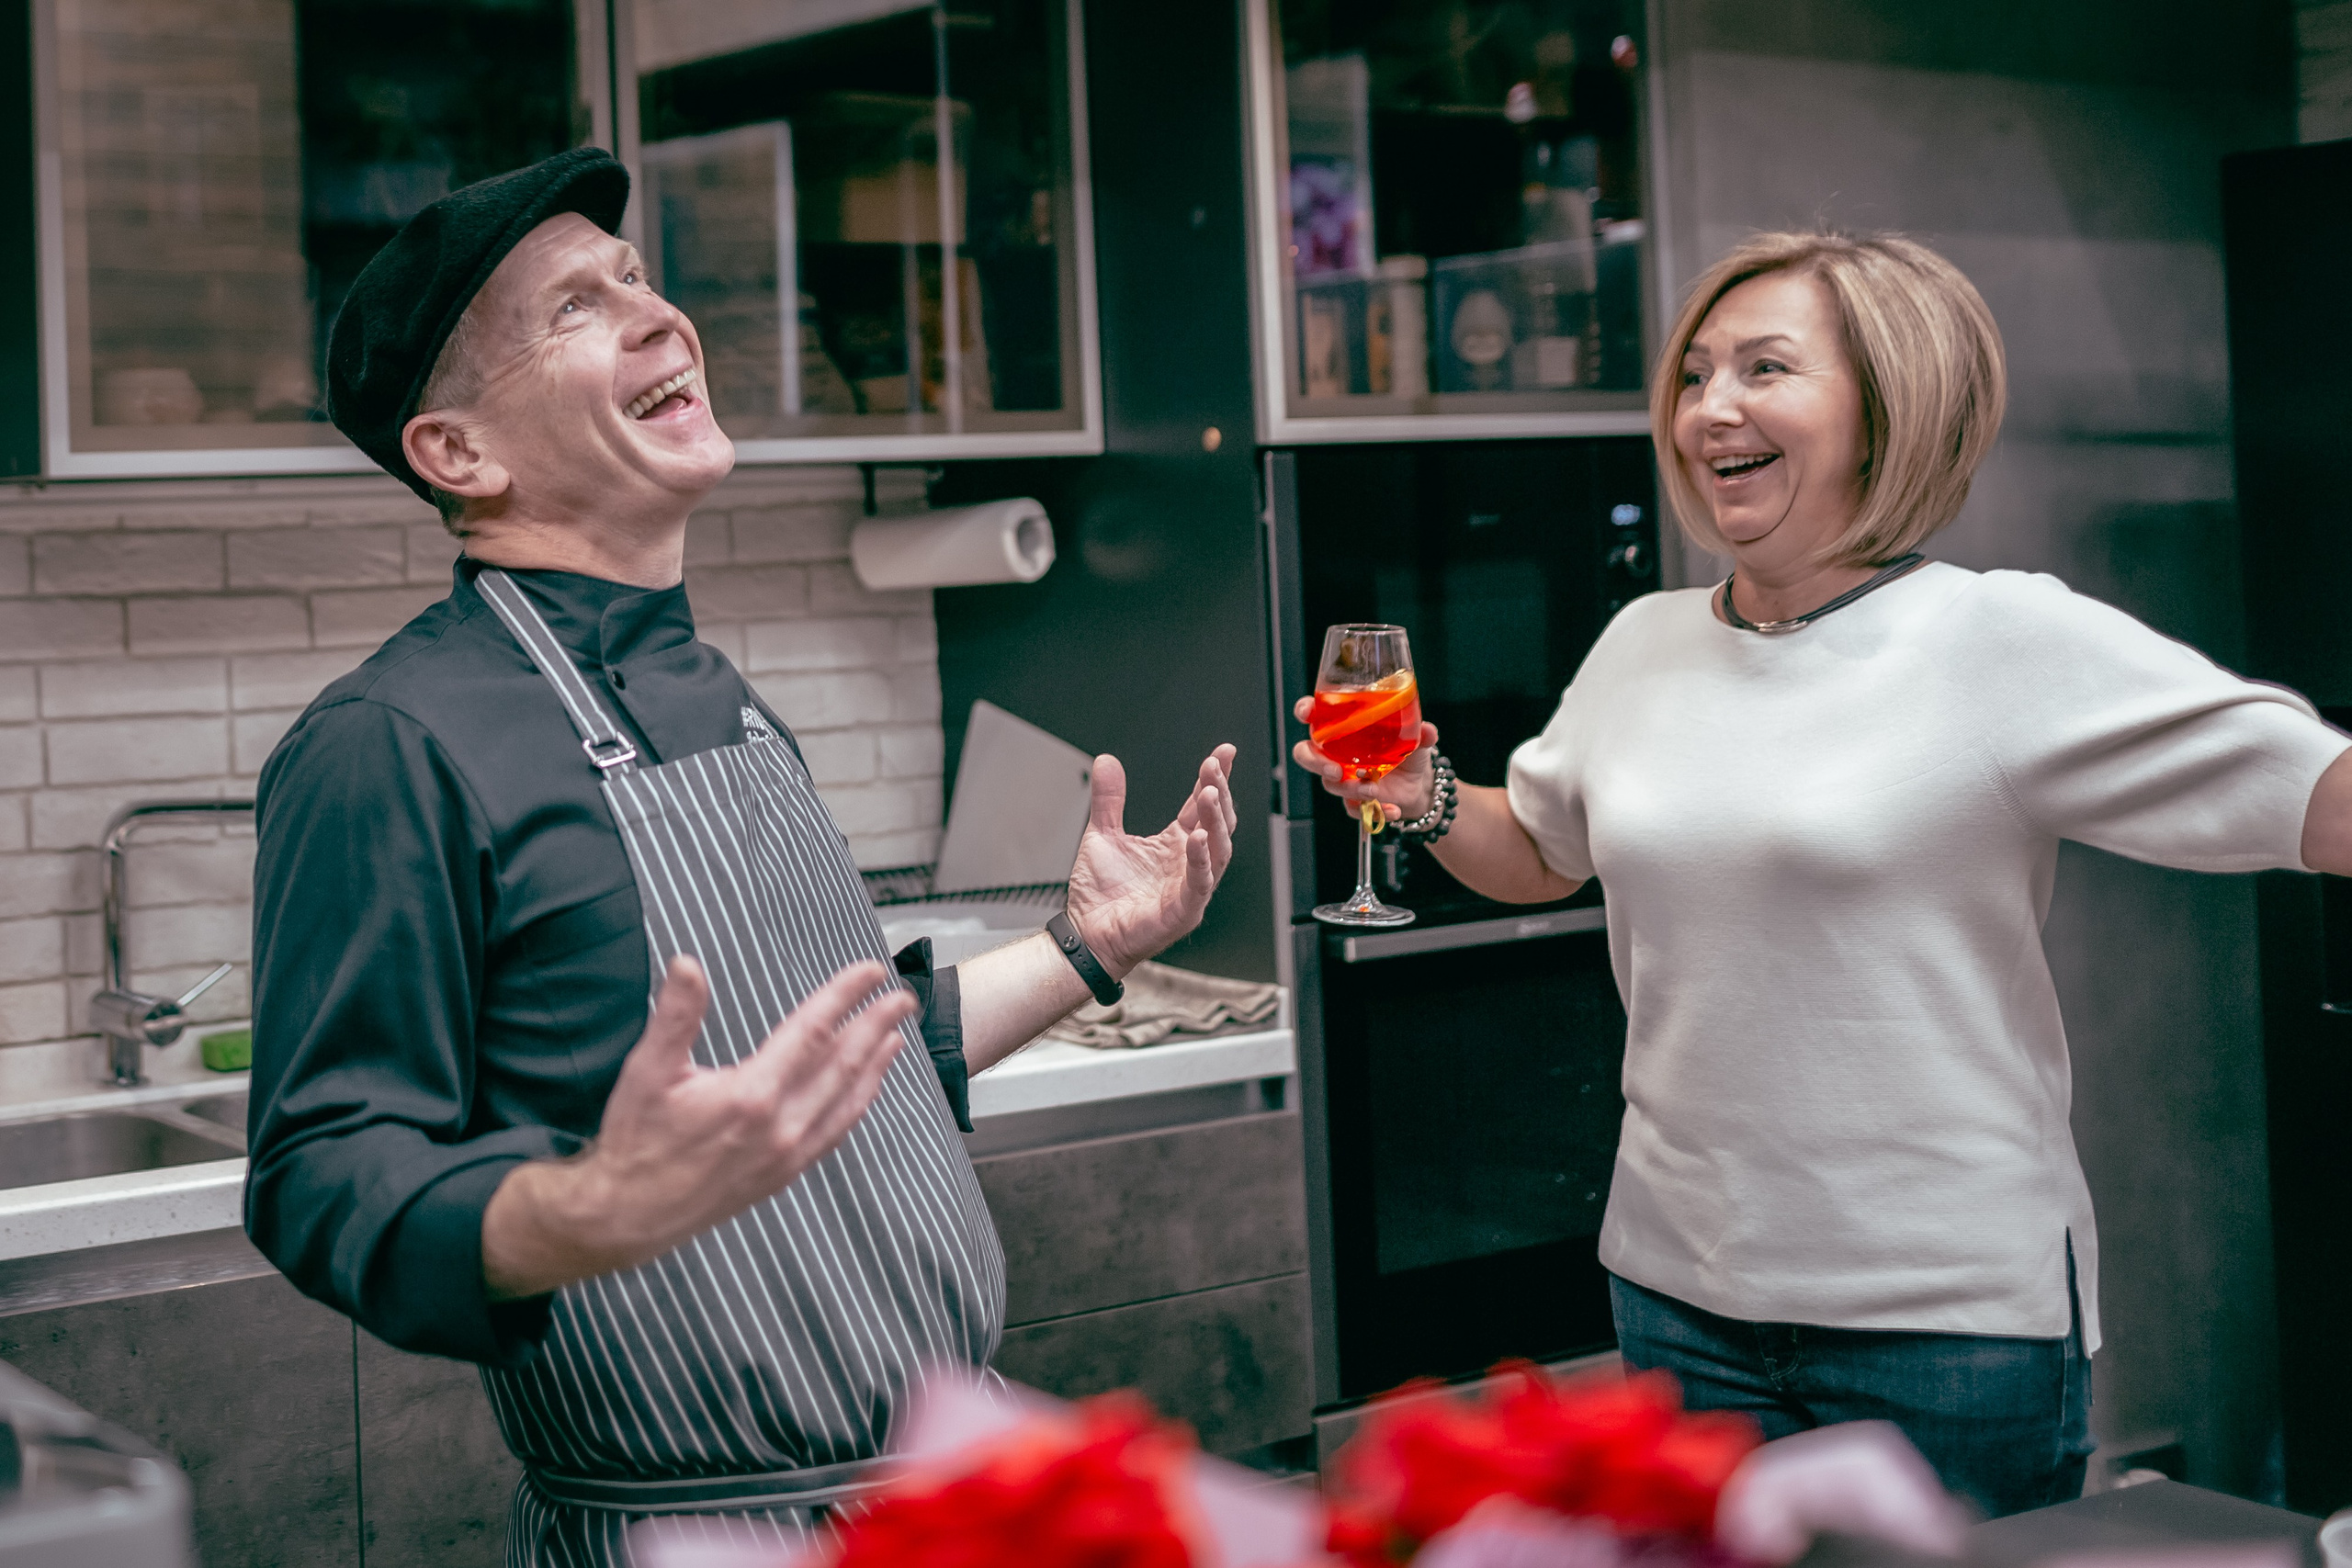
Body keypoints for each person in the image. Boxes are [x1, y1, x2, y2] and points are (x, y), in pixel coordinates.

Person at [244, 148, 1240, 1566]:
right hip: (698, 1538)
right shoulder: (388, 744)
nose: (658, 316)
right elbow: (317, 1176)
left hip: (940, 1502)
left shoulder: (726, 699)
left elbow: (839, 1074)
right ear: (459, 454)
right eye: (576, 308)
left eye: (638, 278)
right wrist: (581, 1212)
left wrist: (1086, 949)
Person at [1295, 229, 2352, 1517]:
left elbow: (2318, 801)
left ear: (1884, 410)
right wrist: (1424, 796)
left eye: (1764, 369)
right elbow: (1542, 852)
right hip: (1678, 1299)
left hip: (1944, 1329)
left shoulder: (1994, 636)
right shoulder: (1646, 640)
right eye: (1694, 376)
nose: (1710, 410)